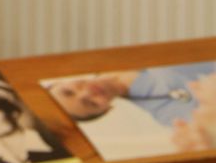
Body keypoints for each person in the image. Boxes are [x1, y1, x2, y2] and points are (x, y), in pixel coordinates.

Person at [48, 61, 216, 127]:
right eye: (90, 103)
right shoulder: (168, 115)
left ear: (61, 81)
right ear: (106, 110)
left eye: (68, 92)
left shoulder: (109, 48)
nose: (86, 92)